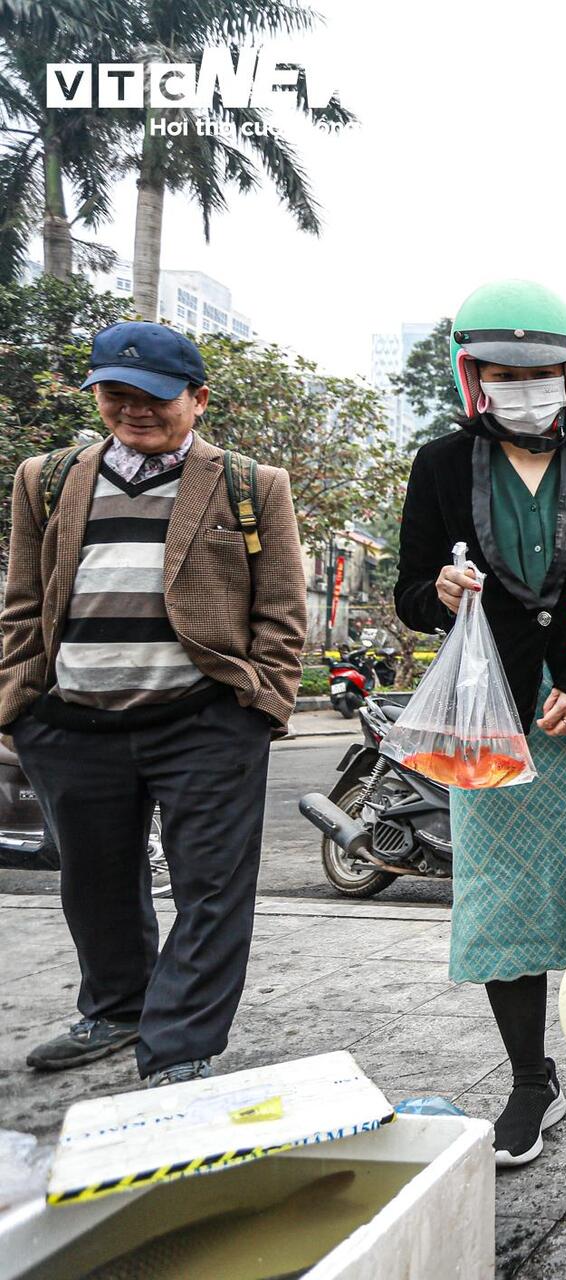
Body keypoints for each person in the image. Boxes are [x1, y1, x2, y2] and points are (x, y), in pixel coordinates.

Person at [393, 280, 566, 1167]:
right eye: (502, 372)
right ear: (473, 378)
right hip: (494, 720)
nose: (523, 385)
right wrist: (436, 592)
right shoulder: (440, 465)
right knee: (504, 895)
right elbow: (409, 590)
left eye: (541, 369)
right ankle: (529, 1081)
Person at [1, 321, 306, 1086]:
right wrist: (17, 703)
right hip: (71, 722)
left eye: (154, 398)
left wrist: (260, 703)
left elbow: (281, 609)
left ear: (198, 400)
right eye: (115, 394)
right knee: (94, 879)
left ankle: (179, 1046)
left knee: (210, 888)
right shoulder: (46, 478)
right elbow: (22, 600)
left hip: (204, 721)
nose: (133, 409)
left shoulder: (250, 485)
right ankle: (116, 1009)